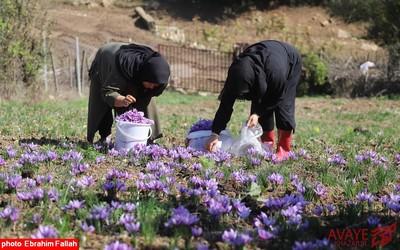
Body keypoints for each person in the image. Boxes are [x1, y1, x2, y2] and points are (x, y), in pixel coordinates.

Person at [205, 40, 302, 161]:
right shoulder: (236, 74)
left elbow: (278, 97)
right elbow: (225, 106)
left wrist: (257, 113)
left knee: (284, 106)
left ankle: (284, 149)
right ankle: (267, 145)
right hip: (263, 63)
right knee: (259, 100)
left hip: (288, 59)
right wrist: (215, 134)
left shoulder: (274, 72)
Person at [87, 42, 170, 144]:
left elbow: (148, 93)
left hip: (135, 68)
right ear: (144, 75)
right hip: (107, 58)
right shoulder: (122, 68)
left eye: (155, 85)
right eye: (150, 83)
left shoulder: (156, 73)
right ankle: (105, 136)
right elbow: (107, 91)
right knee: (102, 104)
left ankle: (148, 138)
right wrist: (122, 100)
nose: (152, 87)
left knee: (146, 99)